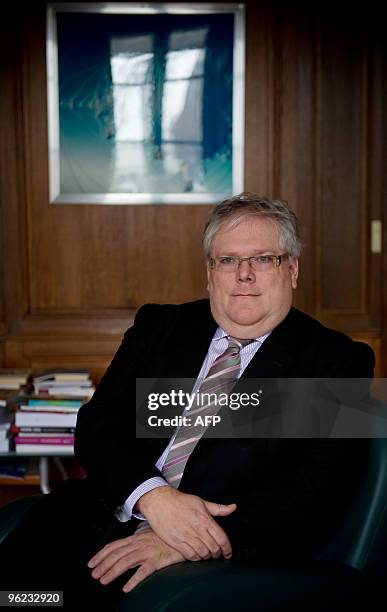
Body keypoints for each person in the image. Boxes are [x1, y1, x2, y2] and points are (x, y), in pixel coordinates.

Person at [0, 194, 374, 608]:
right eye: (228, 260)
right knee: (21, 599)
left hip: (213, 560)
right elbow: (99, 427)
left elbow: (314, 493)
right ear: (209, 274)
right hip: (105, 511)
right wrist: (153, 497)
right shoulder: (160, 327)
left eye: (263, 259)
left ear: (293, 269)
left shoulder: (338, 361)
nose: (244, 275)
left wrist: (191, 540)